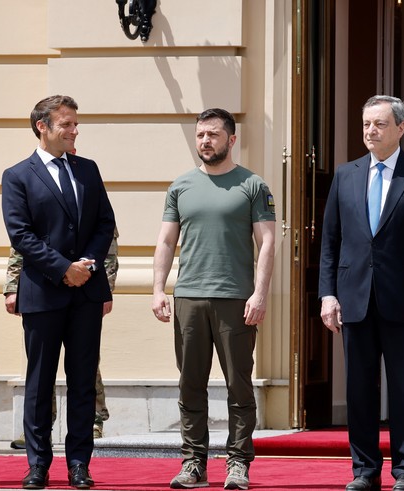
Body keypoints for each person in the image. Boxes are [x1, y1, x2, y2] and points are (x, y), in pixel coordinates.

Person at [319, 95, 404, 491]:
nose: (370, 131)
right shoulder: (346, 175)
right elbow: (330, 241)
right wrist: (327, 294)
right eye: (366, 125)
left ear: (400, 128)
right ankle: (364, 470)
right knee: (359, 389)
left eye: (378, 124)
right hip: (354, 298)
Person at [152, 108, 276, 491]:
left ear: (231, 139)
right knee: (190, 384)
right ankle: (193, 463)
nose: (205, 141)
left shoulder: (253, 185)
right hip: (188, 297)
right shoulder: (181, 186)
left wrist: (260, 293)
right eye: (200, 135)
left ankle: (238, 463)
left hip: (236, 300)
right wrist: (158, 288)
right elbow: (167, 241)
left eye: (213, 135)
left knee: (239, 385)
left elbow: (268, 240)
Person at [1, 95, 115, 490]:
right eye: (66, 124)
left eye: (74, 123)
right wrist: (62, 269)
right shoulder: (18, 175)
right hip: (43, 292)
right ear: (42, 127)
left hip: (86, 291)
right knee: (39, 382)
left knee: (82, 380)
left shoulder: (88, 169)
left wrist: (87, 265)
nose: (74, 130)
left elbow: (104, 222)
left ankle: (79, 464)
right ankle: (38, 465)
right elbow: (21, 234)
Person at [5, 226, 119, 449]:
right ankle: (40, 426)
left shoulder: (91, 195)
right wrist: (12, 286)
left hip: (86, 289)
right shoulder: (37, 194)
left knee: (85, 363)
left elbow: (107, 247)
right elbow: (22, 243)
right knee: (41, 364)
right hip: (43, 288)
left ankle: (94, 421)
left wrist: (107, 288)